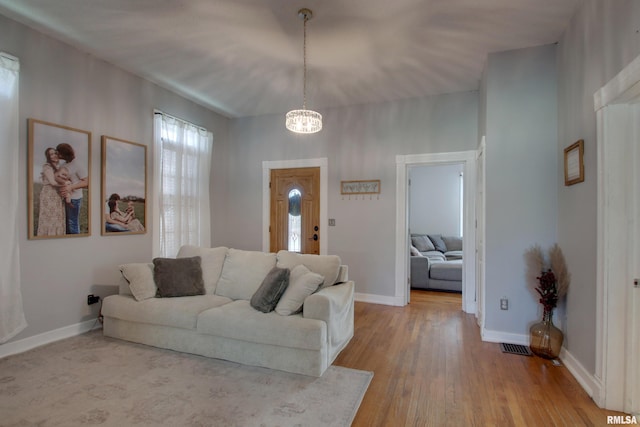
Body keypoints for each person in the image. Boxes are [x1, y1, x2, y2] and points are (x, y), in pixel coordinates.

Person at [56, 143, 88, 234]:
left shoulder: (78, 164)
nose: (57, 154)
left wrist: (71, 187)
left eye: (58, 153)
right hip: (63, 197)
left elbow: (87, 182)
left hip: (74, 198)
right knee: (65, 222)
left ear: (64, 154)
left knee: (72, 222)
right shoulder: (63, 164)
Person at [36, 147, 66, 236]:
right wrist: (66, 185)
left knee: (58, 216)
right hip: (49, 193)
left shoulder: (60, 167)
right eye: (51, 154)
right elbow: (52, 182)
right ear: (48, 157)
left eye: (55, 153)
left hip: (57, 194)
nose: (54, 156)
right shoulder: (47, 166)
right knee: (50, 217)